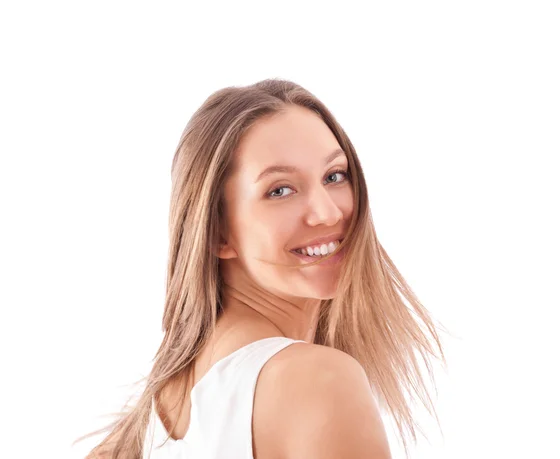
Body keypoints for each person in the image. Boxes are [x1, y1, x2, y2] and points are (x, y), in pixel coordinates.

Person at [78, 78, 446, 459]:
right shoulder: (317, 380)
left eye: (334, 176)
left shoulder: (158, 409)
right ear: (217, 232)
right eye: (280, 190)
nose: (328, 213)